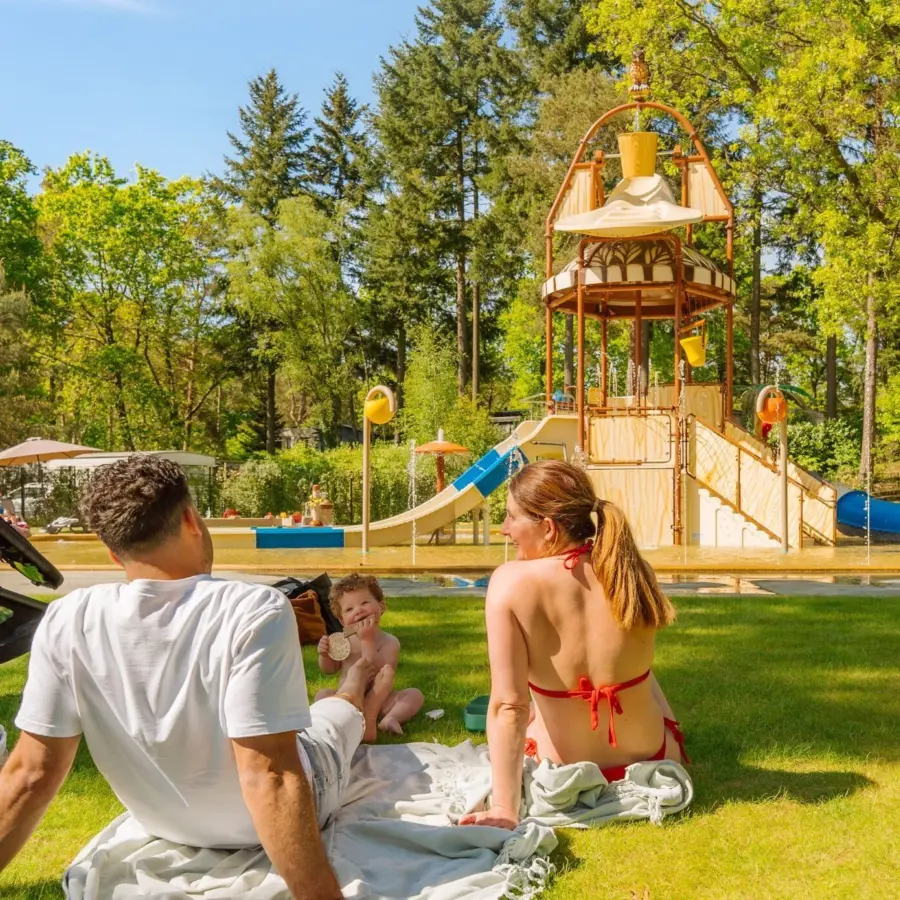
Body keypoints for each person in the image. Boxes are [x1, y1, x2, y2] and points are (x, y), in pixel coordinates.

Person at [0, 455, 390, 900]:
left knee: (322, 713)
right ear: (190, 519)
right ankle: (356, 685)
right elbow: (271, 774)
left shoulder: (68, 617)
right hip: (278, 810)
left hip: (165, 822)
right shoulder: (252, 609)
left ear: (113, 551)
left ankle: (351, 687)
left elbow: (30, 773)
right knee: (339, 712)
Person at [460, 459, 687, 829]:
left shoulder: (511, 583)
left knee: (530, 714)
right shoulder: (630, 570)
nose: (504, 529)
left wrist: (504, 807)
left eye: (511, 517)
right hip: (655, 755)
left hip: (563, 766)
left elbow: (509, 706)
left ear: (548, 527)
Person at [316, 574, 423, 741]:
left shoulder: (389, 642)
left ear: (381, 606)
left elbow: (381, 671)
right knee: (322, 695)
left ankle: (390, 719)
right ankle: (340, 720)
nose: (358, 610)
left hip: (380, 702)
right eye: (349, 609)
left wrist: (367, 640)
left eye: (364, 603)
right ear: (342, 621)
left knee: (414, 695)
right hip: (348, 700)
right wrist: (324, 655)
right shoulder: (343, 640)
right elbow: (329, 670)